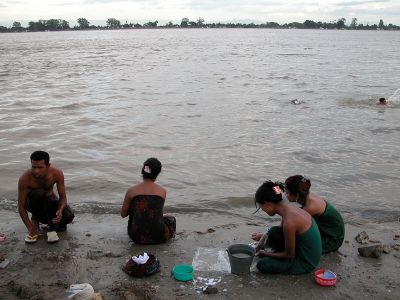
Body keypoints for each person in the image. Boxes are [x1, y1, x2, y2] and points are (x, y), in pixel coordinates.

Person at [251, 181, 321, 274]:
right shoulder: (289, 209)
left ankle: (275, 257)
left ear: (268, 204)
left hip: (306, 263)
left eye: (262, 207)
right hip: (303, 249)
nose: (263, 210)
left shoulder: (289, 222)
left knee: (262, 264)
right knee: (273, 231)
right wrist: (260, 243)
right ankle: (273, 253)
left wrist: (265, 253)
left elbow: (289, 255)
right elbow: (279, 229)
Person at [18, 151, 74, 241]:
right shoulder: (25, 179)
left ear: (48, 165)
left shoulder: (57, 174)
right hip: (33, 204)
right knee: (39, 193)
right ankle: (35, 219)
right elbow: (21, 206)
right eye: (34, 167)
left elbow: (63, 197)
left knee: (68, 216)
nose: (36, 171)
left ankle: (49, 222)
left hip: (49, 201)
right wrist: (30, 228)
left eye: (40, 167)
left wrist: (60, 210)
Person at [121, 158, 176, 244]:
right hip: (159, 236)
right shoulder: (162, 191)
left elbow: (123, 214)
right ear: (158, 173)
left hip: (136, 236)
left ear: (143, 171)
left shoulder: (131, 191)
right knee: (171, 219)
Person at [285, 175, 345, 254]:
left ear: (297, 195)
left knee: (292, 243)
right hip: (326, 230)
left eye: (287, 192)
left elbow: (290, 223)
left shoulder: (310, 207)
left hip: (332, 239)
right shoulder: (305, 195)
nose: (285, 195)